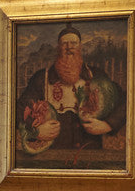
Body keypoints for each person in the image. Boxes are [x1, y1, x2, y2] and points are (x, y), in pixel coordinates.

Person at [16, 26, 125, 155]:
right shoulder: (42, 78)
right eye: (64, 43)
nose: (69, 47)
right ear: (58, 48)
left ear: (80, 47)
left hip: (91, 155)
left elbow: (124, 101)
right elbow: (19, 111)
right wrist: (36, 131)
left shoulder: (95, 75)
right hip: (51, 156)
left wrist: (108, 125)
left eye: (74, 43)